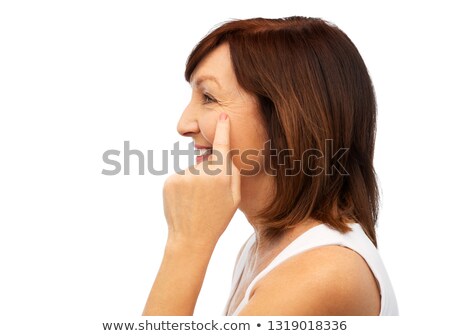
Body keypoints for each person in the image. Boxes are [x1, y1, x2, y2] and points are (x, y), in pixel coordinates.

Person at [142, 16, 398, 316]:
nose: (183, 124)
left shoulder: (324, 271)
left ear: (287, 118)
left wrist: (186, 244)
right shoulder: (260, 248)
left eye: (209, 97)